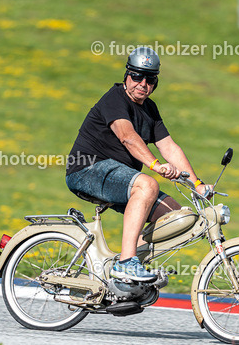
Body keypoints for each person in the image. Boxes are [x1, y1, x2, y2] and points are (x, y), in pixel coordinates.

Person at [65, 46, 211, 282]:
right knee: (147, 185)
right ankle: (126, 263)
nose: (142, 83)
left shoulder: (150, 109)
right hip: (87, 170)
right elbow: (127, 136)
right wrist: (155, 165)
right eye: (136, 76)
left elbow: (170, 147)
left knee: (176, 217)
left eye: (150, 79)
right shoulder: (115, 99)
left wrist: (197, 183)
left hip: (117, 176)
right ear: (127, 75)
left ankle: (124, 274)